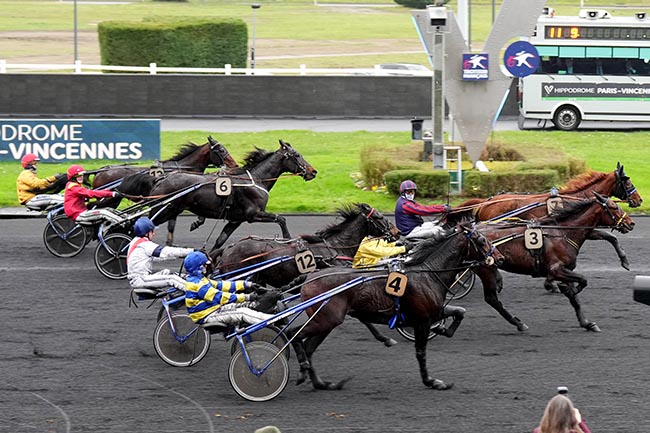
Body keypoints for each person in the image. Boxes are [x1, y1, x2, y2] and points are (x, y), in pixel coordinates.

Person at [183, 251, 274, 328]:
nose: (206, 267)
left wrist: (247, 284)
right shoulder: (198, 285)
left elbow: (222, 285)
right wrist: (246, 296)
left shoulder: (199, 279)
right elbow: (219, 297)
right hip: (207, 315)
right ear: (199, 267)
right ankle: (272, 320)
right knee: (243, 312)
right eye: (204, 265)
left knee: (247, 305)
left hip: (213, 309)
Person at [127, 217, 194, 292]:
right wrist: (191, 251)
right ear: (146, 233)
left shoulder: (136, 241)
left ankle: (188, 285)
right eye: (152, 231)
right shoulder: (144, 244)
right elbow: (165, 251)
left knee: (166, 272)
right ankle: (196, 291)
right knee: (172, 279)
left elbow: (159, 257)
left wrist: (179, 255)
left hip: (140, 278)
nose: (154, 234)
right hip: (141, 279)